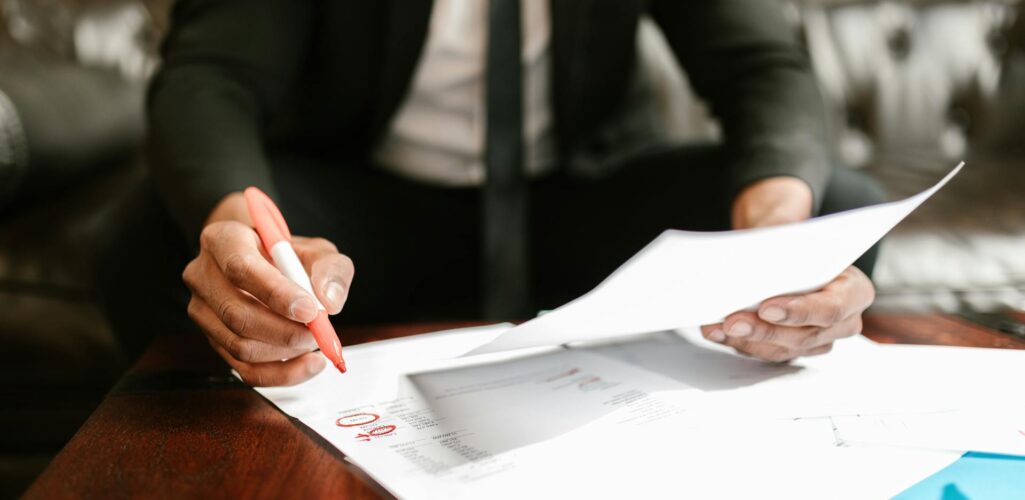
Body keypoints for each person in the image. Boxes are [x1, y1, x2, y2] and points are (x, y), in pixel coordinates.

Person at [98, 0, 884, 386]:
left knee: (833, 204)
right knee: (162, 236)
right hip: (370, 213)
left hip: (579, 203)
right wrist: (242, 232)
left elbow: (758, 65)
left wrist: (774, 236)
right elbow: (213, 76)